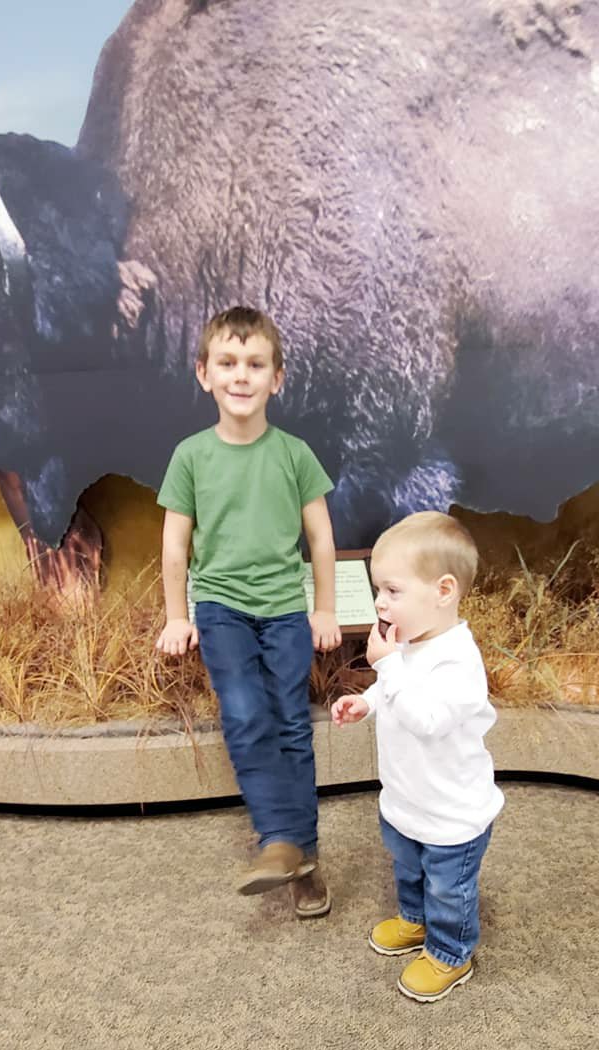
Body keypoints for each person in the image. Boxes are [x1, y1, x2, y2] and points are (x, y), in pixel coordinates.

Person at [155, 305, 342, 917]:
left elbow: (320, 539)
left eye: (255, 364)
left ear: (276, 378)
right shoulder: (190, 456)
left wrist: (324, 610)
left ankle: (303, 858)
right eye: (228, 363)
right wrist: (177, 616)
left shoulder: (295, 454)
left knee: (291, 723)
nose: (241, 375)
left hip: (285, 609)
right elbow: (175, 545)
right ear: (204, 373)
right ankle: (279, 840)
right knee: (243, 712)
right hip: (221, 608)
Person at [331, 511, 503, 1001]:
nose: (379, 603)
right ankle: (415, 919)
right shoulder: (411, 644)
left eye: (392, 590)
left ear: (443, 591)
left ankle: (451, 952)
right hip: (407, 800)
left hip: (452, 813)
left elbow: (427, 718)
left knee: (449, 887)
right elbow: (397, 692)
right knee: (407, 866)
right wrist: (368, 702)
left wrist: (387, 669)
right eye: (378, 590)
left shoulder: (458, 660)